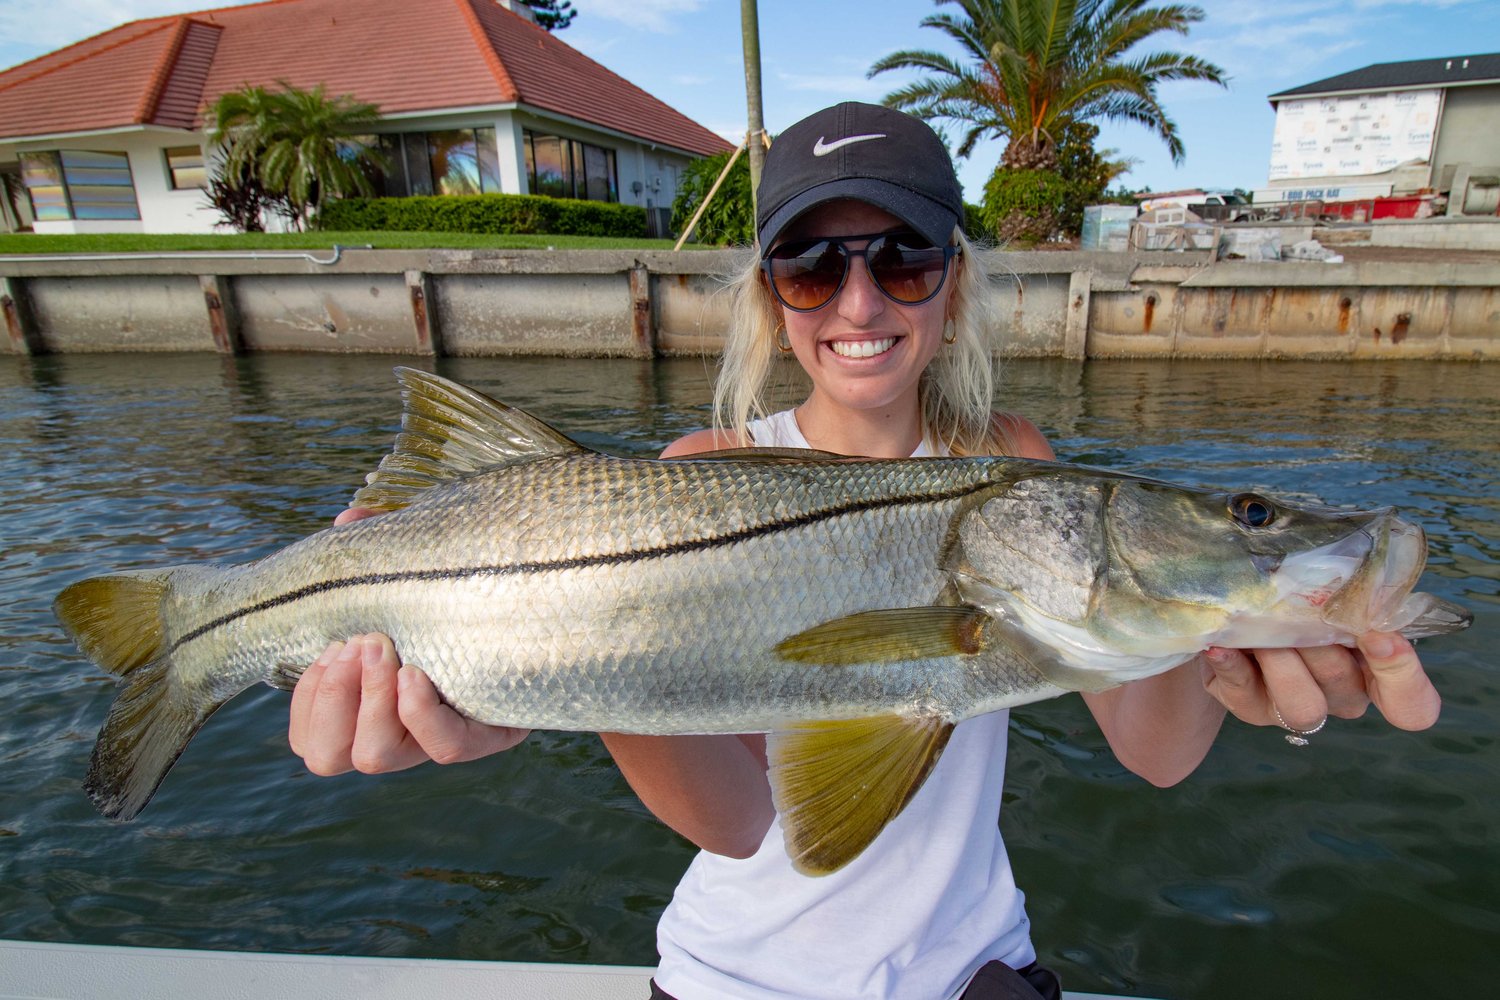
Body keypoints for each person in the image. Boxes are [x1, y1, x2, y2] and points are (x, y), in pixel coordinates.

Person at [287, 102, 1443, 999]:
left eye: (902, 258)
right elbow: (742, 822)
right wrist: (572, 665)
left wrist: (1224, 636)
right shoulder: (697, 468)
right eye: (811, 264)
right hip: (737, 978)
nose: (859, 299)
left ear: (952, 283)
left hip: (975, 970)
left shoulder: (1018, 456)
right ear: (772, 298)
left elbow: (1155, 755)